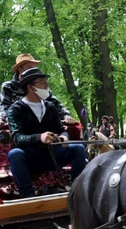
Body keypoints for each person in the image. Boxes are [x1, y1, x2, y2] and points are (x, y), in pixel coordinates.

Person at [7, 67, 87, 199]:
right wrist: (40, 137)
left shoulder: (51, 107)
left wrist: (63, 137)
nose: (47, 85)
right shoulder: (15, 109)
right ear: (30, 87)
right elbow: (17, 138)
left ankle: (77, 191)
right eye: (42, 82)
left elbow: (61, 129)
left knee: (78, 148)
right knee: (15, 154)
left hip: (53, 154)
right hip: (30, 158)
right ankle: (28, 197)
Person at [0, 53, 77, 124]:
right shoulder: (8, 86)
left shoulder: (41, 86)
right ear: (20, 70)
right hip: (17, 126)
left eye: (34, 67)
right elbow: (4, 107)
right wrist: (12, 121)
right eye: (30, 68)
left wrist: (66, 115)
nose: (33, 70)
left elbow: (55, 103)